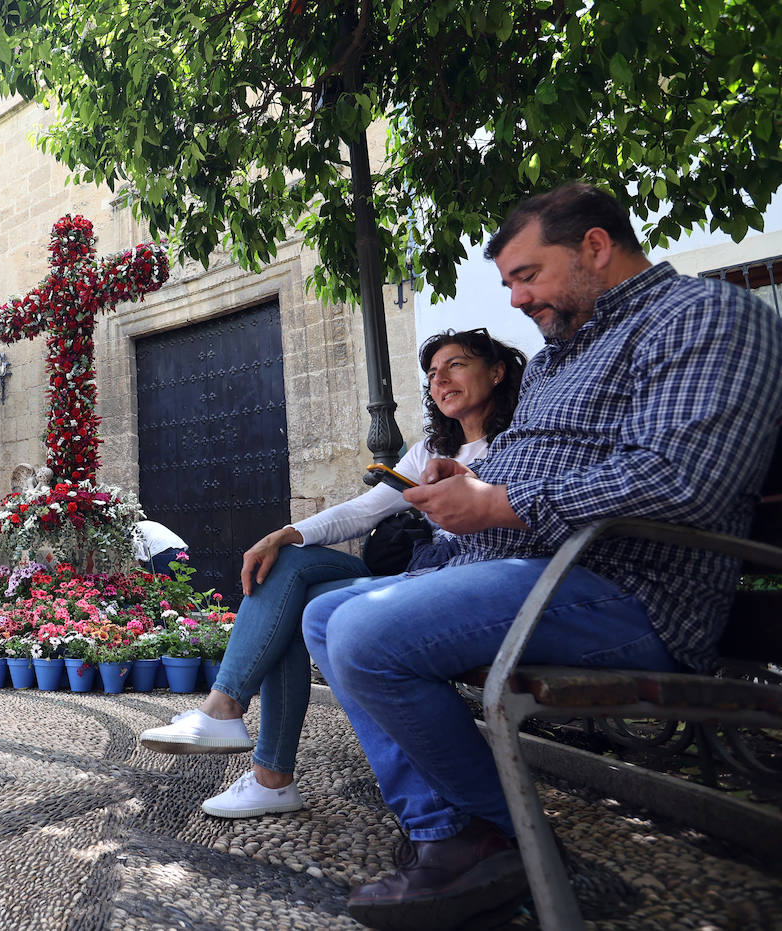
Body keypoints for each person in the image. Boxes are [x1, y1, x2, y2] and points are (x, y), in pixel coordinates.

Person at [299, 182, 782, 930]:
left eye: (527, 275)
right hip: (536, 574)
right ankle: (450, 836)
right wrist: (475, 482)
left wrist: (499, 503)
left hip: (631, 589)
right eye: (509, 284)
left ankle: (504, 842)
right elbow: (536, 471)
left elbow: (684, 479)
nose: (517, 300)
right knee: (327, 613)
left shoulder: (708, 315)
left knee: (366, 635)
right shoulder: (561, 355)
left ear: (594, 245)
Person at [139, 329, 526, 819]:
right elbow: (366, 509)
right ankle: (229, 717)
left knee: (295, 602)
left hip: (470, 579)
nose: (440, 379)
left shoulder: (523, 442)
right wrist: (284, 533)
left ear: (495, 372)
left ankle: (265, 769)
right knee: (286, 565)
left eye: (455, 365)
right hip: (425, 572)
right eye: (431, 373)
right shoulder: (430, 449)